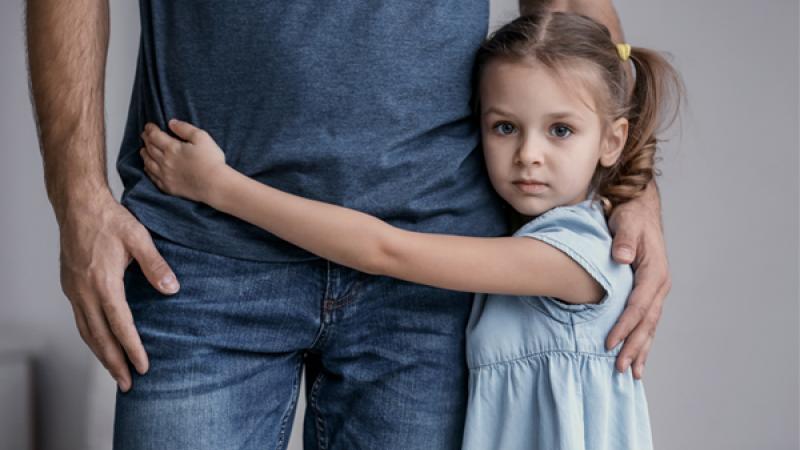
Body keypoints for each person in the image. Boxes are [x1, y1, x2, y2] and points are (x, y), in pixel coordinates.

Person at [26, 0, 671, 448]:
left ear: (614, 137)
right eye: (507, 127)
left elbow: (384, 250)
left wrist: (632, 186)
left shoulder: (567, 259)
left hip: (427, 280)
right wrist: (78, 198)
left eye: (558, 132)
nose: (529, 153)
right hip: (199, 260)